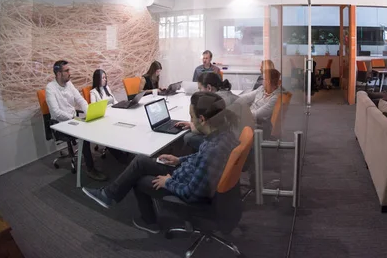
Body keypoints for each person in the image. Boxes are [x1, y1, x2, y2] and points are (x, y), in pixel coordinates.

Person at [81, 92, 239, 234]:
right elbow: (199, 158)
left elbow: (192, 194)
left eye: (191, 117)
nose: (190, 121)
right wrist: (179, 159)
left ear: (202, 119)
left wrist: (168, 182)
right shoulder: (222, 134)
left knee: (139, 181)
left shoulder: (213, 150)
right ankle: (108, 194)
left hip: (186, 186)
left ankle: (149, 222)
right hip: (186, 172)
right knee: (141, 160)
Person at [45, 60, 107, 181]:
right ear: (58, 73)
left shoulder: (69, 84)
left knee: (97, 123)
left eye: (69, 70)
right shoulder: (50, 88)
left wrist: (89, 111)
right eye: (66, 71)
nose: (70, 73)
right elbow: (56, 112)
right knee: (84, 136)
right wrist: (74, 118)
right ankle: (90, 169)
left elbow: (81, 100)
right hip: (60, 124)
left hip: (72, 119)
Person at [178, 72, 252, 151]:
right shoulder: (229, 95)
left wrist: (193, 123)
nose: (199, 91)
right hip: (243, 140)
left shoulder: (216, 103)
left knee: (188, 136)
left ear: (209, 88)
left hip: (230, 144)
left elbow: (201, 130)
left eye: (200, 89)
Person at [237, 68, 281, 139]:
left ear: (268, 81)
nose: (261, 81)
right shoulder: (262, 89)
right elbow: (246, 97)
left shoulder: (276, 98)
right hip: (250, 120)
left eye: (263, 79)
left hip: (259, 126)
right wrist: (233, 98)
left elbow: (257, 115)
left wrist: (240, 115)